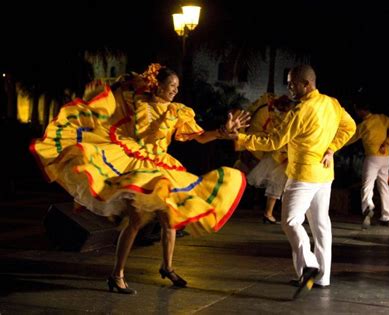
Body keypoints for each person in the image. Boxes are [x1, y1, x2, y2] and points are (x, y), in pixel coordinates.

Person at [30, 63, 249, 294]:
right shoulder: (137, 101)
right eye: (171, 85)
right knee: (136, 221)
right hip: (137, 163)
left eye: (177, 86)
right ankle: (117, 275)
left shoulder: (178, 111)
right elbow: (112, 102)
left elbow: (201, 137)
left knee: (169, 217)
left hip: (161, 164)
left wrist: (222, 132)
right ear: (158, 85)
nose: (175, 90)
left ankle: (167, 266)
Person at [232, 64, 356, 298]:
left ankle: (309, 265)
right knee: (321, 225)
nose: (288, 87)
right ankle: (322, 277)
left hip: (304, 175)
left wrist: (240, 138)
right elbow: (349, 127)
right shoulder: (332, 103)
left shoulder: (300, 111)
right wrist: (331, 149)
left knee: (289, 221)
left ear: (306, 84)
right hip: (324, 174)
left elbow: (273, 142)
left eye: (292, 83)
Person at [347, 102, 389, 228]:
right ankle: (387, 216)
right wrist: (387, 142)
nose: (356, 113)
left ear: (360, 111)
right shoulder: (383, 119)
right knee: (384, 187)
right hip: (385, 158)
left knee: (367, 185)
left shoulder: (363, 125)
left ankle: (368, 206)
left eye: (357, 111)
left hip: (372, 158)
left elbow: (350, 139)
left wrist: (333, 144)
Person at [245, 95, 295, 224]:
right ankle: (271, 213)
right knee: (278, 184)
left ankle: (270, 213)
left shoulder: (275, 115)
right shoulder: (282, 116)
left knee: (278, 184)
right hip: (281, 154)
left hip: (279, 154)